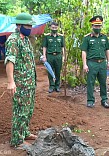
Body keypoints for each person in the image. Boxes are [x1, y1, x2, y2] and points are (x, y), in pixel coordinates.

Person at [5, 13, 37, 148]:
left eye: (31, 25)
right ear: (19, 25)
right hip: (21, 83)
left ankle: (24, 132)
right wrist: (11, 82)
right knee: (20, 111)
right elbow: (10, 60)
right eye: (28, 25)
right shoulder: (13, 40)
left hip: (29, 82)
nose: (30, 28)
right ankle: (17, 140)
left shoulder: (25, 39)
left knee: (28, 110)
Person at [80, 15, 109, 109]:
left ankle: (104, 100)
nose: (97, 28)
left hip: (102, 63)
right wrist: (85, 64)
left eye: (99, 26)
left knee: (103, 82)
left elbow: (107, 50)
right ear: (92, 26)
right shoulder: (87, 38)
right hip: (92, 63)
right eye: (95, 26)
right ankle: (90, 101)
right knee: (90, 82)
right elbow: (84, 51)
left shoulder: (104, 38)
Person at [42, 22, 65, 93]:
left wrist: (63, 56)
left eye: (55, 28)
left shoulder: (61, 37)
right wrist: (44, 56)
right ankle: (51, 86)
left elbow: (63, 47)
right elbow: (44, 47)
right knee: (50, 71)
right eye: (53, 28)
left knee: (58, 71)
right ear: (50, 28)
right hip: (50, 56)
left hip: (58, 56)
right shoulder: (47, 37)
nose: (54, 29)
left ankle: (57, 86)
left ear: (58, 28)